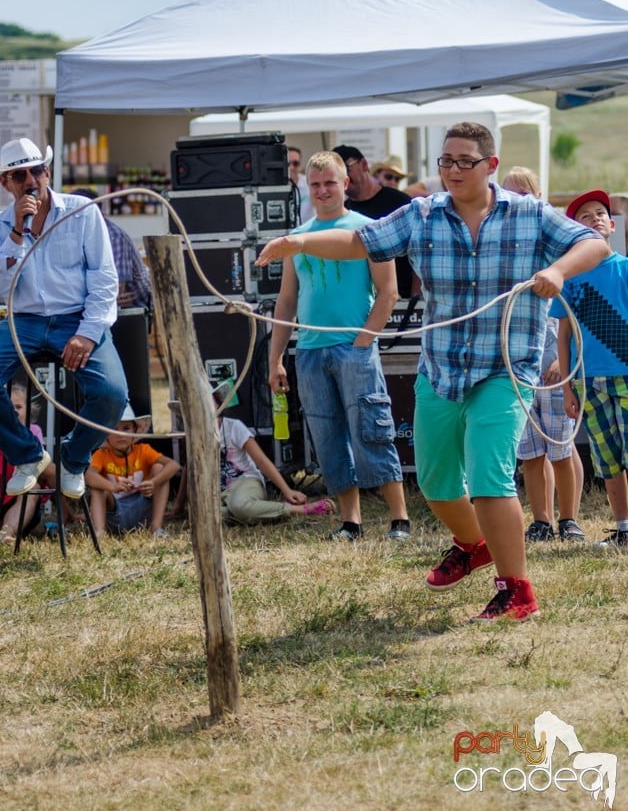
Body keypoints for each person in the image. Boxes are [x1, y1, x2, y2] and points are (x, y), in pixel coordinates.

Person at [258, 123, 609, 620]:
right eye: (446, 161)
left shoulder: (529, 214)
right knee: (437, 483)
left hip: (505, 369)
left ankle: (517, 589)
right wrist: (298, 243)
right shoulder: (422, 214)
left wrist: (557, 270)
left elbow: (594, 245)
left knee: (489, 477)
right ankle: (472, 544)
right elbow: (360, 240)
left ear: (490, 166)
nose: (453, 170)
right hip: (441, 368)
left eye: (465, 161)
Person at [268, 150, 410, 542]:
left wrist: (363, 340)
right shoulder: (295, 238)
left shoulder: (369, 228)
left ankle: (399, 518)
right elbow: (286, 301)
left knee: (372, 430)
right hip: (310, 351)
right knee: (327, 437)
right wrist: (276, 358)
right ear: (306, 188)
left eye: (330, 182)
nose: (323, 190)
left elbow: (389, 292)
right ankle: (351, 522)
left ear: (345, 183)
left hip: (353, 348)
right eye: (315, 185)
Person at [0, 137, 129, 501]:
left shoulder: (81, 211)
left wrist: (87, 333)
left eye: (35, 170)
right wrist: (18, 232)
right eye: (18, 174)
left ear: (47, 172)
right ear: (5, 183)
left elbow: (105, 279)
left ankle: (74, 456)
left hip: (76, 318)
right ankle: (28, 456)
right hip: (24, 319)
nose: (30, 180)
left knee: (113, 393)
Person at [501, 167, 585, 542]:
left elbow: (574, 312)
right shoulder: (501, 244)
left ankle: (569, 518)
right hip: (519, 363)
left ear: (537, 198)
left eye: (523, 194)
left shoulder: (559, 247)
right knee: (530, 452)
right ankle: (542, 519)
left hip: (553, 362)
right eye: (508, 194)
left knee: (560, 446)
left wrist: (560, 360)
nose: (515, 202)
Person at [551, 189, 628, 548]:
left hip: (625, 375)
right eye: (585, 216)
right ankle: (623, 527)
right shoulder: (571, 279)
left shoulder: (625, 269)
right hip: (587, 380)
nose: (595, 218)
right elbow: (563, 333)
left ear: (612, 225)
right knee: (607, 457)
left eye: (600, 213)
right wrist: (568, 386)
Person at [212, 385, 336, 524]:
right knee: (208, 516)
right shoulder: (196, 433)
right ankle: (256, 511)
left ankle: (301, 510)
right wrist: (181, 507)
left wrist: (287, 491)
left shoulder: (233, 427)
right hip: (219, 491)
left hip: (245, 482)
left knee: (239, 506)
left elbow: (262, 461)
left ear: (217, 405)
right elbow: (190, 469)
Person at [333, 145, 416, 298]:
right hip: (361, 302)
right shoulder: (342, 212)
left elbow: (419, 248)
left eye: (345, 168)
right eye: (335, 172)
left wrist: (415, 298)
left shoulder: (399, 202)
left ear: (364, 164)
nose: (342, 176)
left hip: (402, 301)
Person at [85, 404, 180, 537]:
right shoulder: (101, 455)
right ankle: (99, 533)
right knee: (98, 488)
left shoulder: (143, 450)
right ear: (105, 434)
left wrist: (153, 482)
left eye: (126, 428)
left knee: (159, 468)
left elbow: (173, 465)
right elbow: (89, 475)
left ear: (135, 430)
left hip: (143, 509)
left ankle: (156, 527)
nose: (120, 434)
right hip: (115, 513)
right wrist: (112, 486)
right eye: (114, 429)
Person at [0, 384, 54, 544]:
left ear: (29, 411)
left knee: (33, 487)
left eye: (18, 406)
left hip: (18, 493)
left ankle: (6, 533)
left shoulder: (33, 431)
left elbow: (40, 466)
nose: (13, 411)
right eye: (7, 407)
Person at [73, 189, 153, 310]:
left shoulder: (114, 235)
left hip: (134, 310)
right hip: (98, 304)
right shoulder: (72, 235)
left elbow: (116, 289)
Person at [288, 146, 313, 224]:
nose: (291, 167)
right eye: (288, 163)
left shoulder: (311, 183)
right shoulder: (273, 187)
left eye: (295, 163)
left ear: (300, 166)